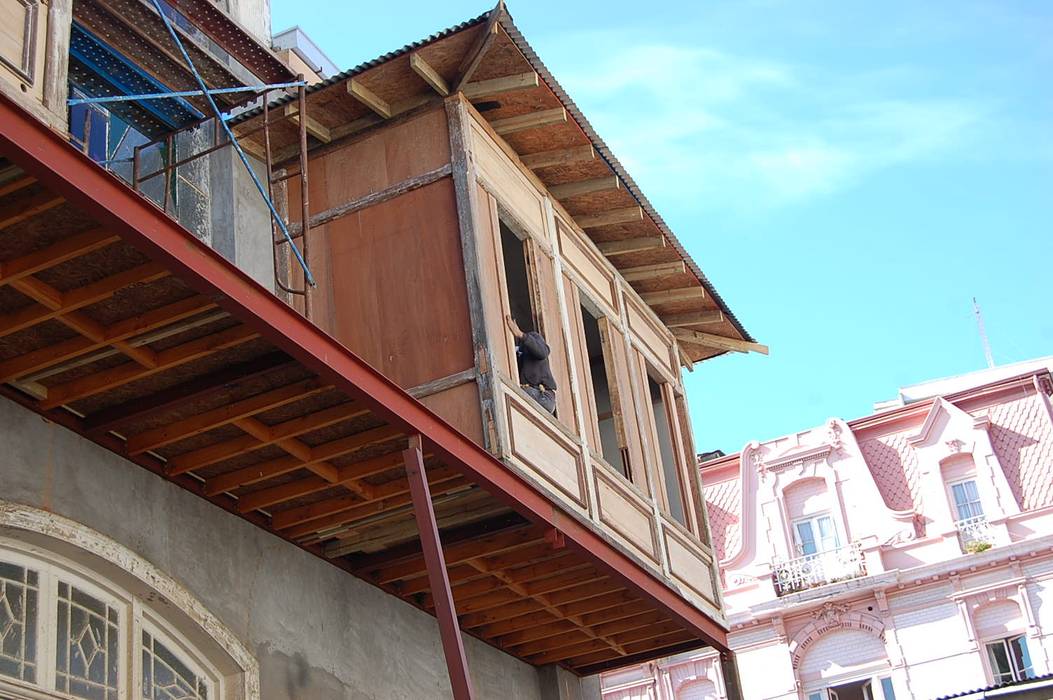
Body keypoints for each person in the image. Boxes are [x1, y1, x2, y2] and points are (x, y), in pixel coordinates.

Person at [505, 315, 557, 414]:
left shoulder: (533, 337)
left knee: (511, 391)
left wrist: (521, 335)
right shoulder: (514, 355)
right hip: (533, 394)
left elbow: (543, 352)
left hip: (544, 396)